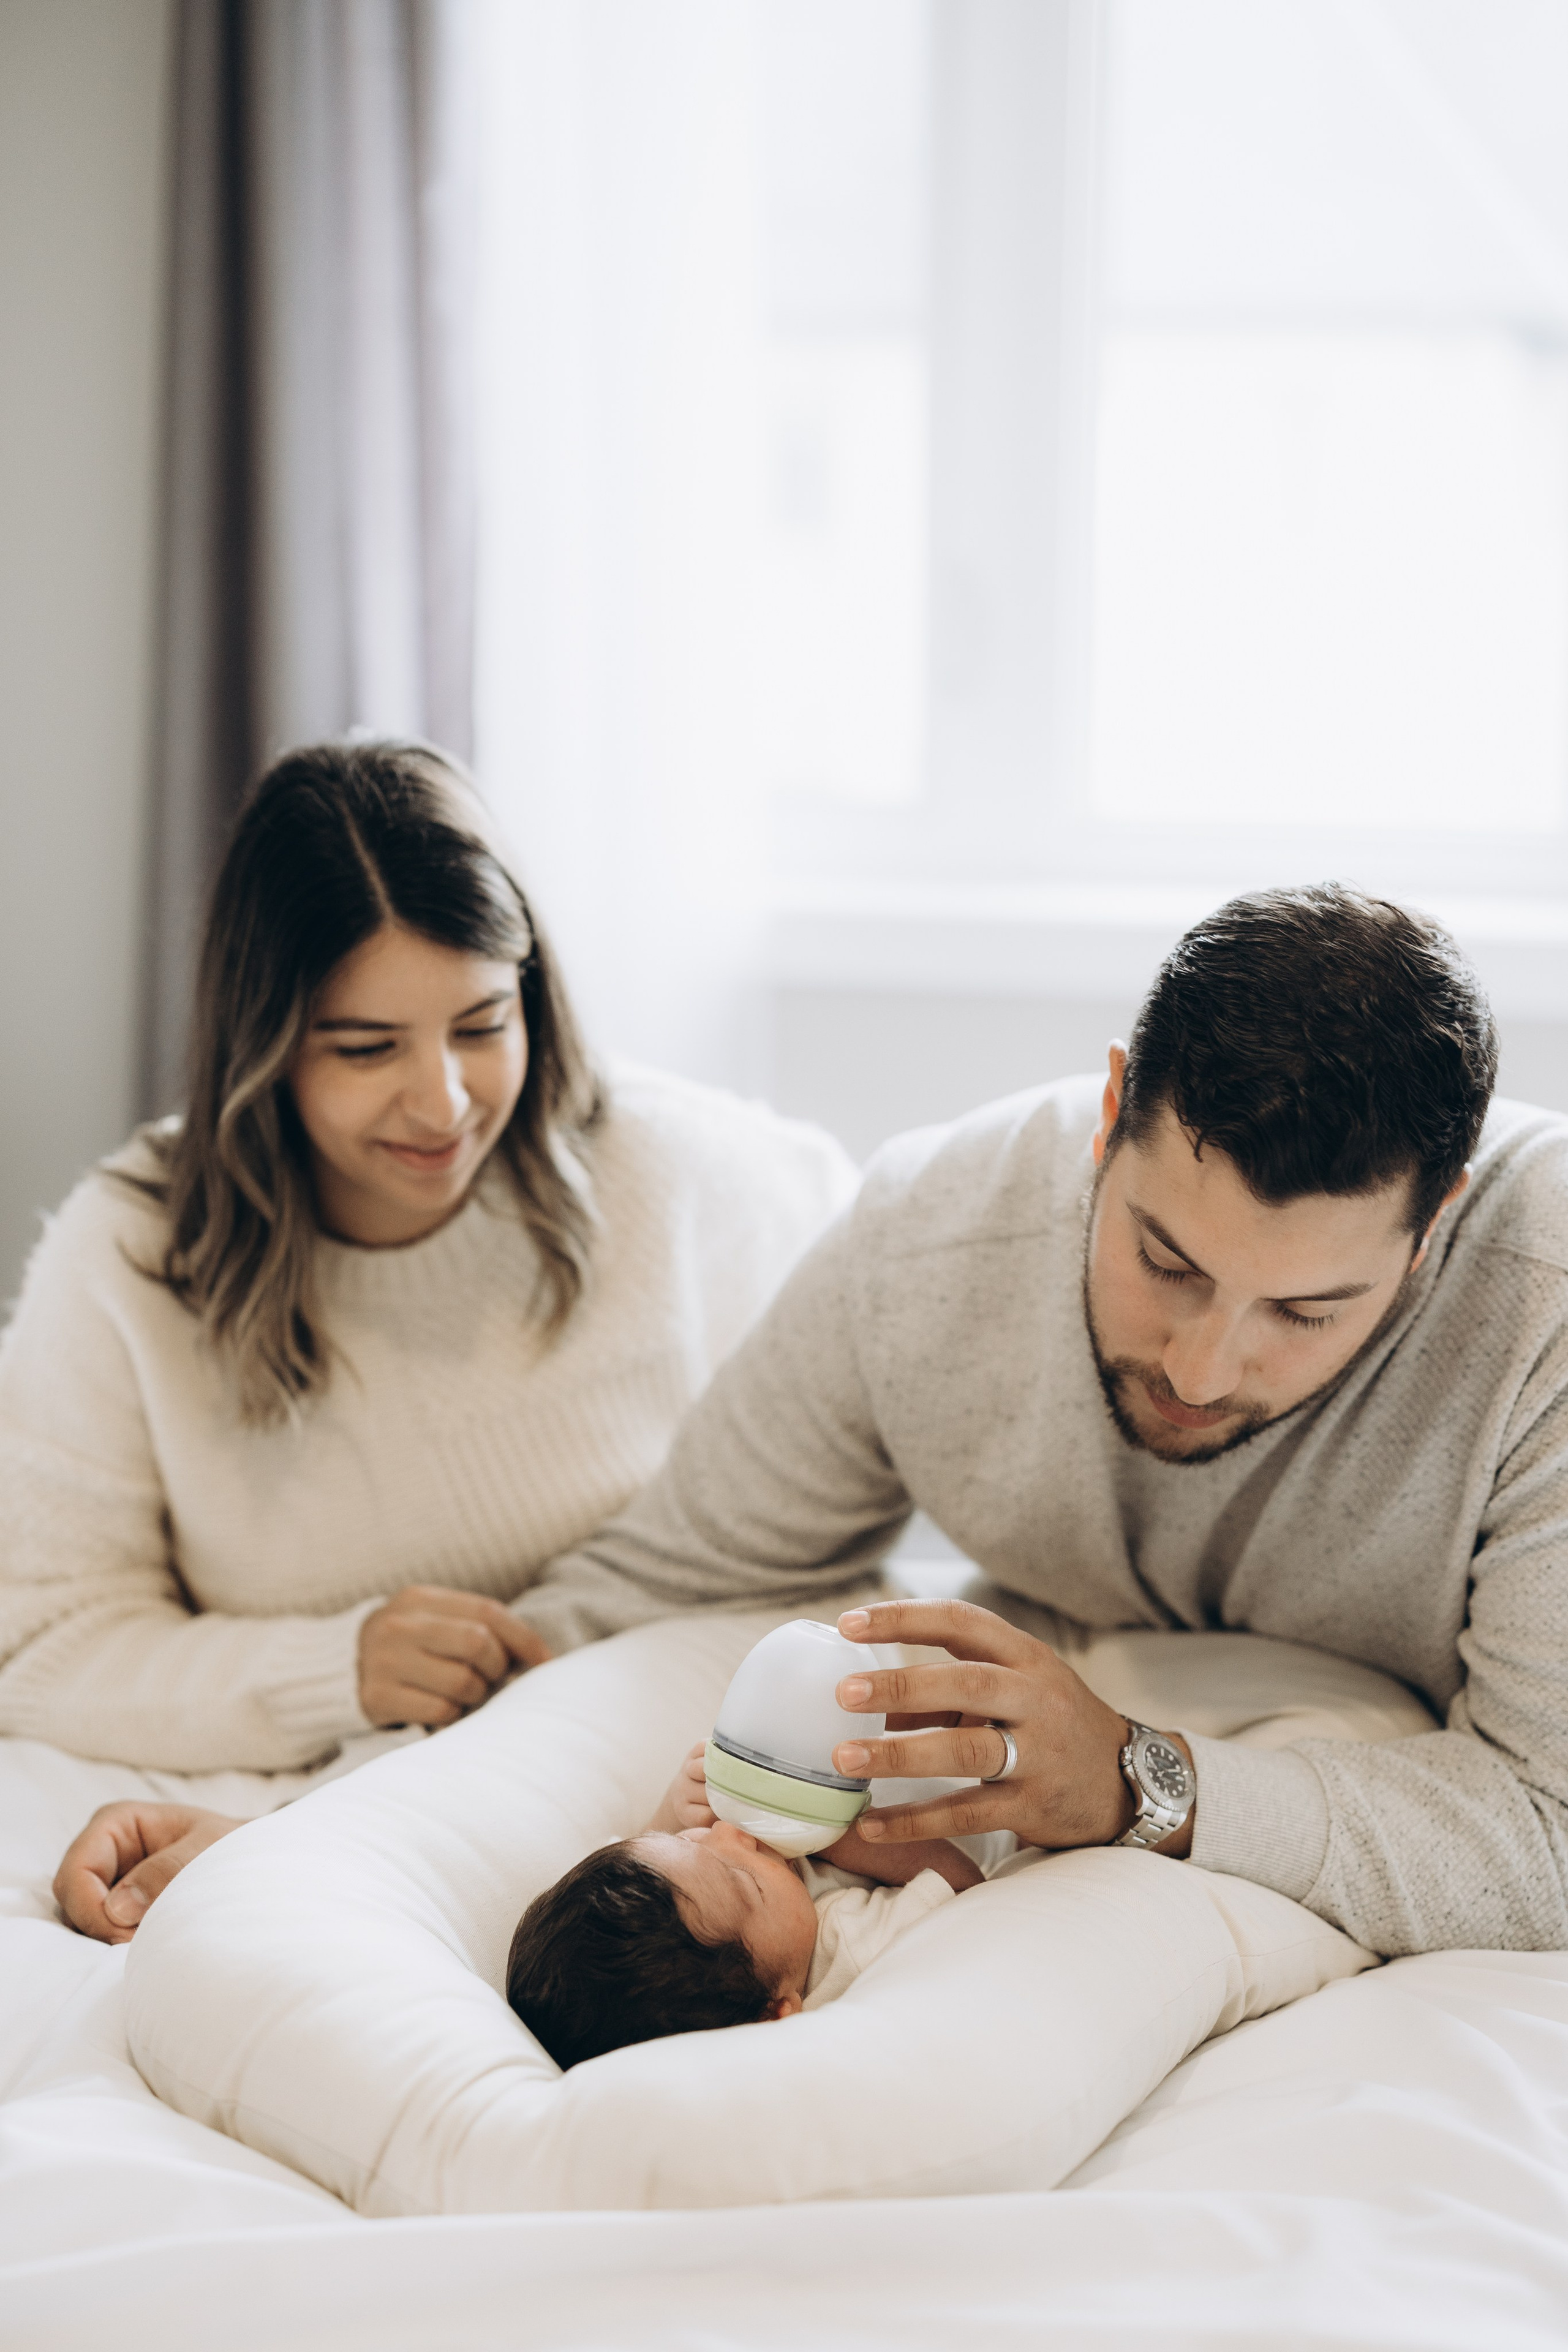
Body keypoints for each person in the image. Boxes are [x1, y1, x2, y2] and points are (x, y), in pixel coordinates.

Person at [483, 883, 1568, 1960]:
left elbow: (1550, 1837)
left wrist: (1137, 1782)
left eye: (1305, 1312)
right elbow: (681, 1572)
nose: (1199, 1370)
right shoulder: (929, 1239)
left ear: (1436, 1220)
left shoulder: (1547, 1319)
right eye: (1166, 1263)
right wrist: (421, 1670)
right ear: (1112, 1110)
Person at [9, 739, 858, 1932]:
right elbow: (39, 1646)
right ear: (264, 1044)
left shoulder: (686, 1175)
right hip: (402, 1803)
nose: (445, 1102)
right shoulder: (130, 1259)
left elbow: (882, 1373)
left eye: (481, 1023)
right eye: (367, 1048)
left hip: (660, 1779)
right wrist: (337, 1666)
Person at [505, 1740, 985, 2067]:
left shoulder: (675, 1895)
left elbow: (648, 1851)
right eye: (744, 1880)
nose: (729, 1832)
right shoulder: (848, 1947)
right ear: (776, 2015)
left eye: (687, 1841)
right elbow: (965, 1890)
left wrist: (675, 1812)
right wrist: (843, 1835)